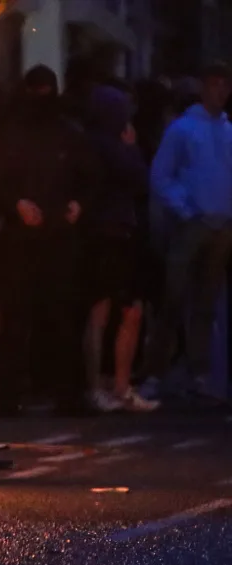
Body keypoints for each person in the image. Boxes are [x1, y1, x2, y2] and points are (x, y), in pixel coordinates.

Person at [0, 65, 99, 415]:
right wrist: (16, 204)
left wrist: (79, 205)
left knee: (61, 315)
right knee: (17, 316)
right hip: (20, 237)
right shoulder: (12, 134)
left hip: (59, 236)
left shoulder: (69, 133)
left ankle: (65, 393)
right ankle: (9, 395)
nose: (41, 98)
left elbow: (90, 178)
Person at [142, 62, 232, 400]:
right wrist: (186, 207)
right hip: (193, 223)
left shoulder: (227, 130)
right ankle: (156, 371)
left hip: (221, 224)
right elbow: (160, 175)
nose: (221, 91)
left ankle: (198, 371)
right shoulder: (183, 129)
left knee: (207, 303)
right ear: (204, 88)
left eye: (225, 85)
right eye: (215, 84)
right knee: (174, 299)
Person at [80, 85, 160, 412]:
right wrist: (131, 148)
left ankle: (105, 387)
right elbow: (140, 179)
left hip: (105, 234)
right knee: (120, 311)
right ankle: (115, 387)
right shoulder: (112, 146)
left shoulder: (87, 142)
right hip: (112, 234)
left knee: (108, 312)